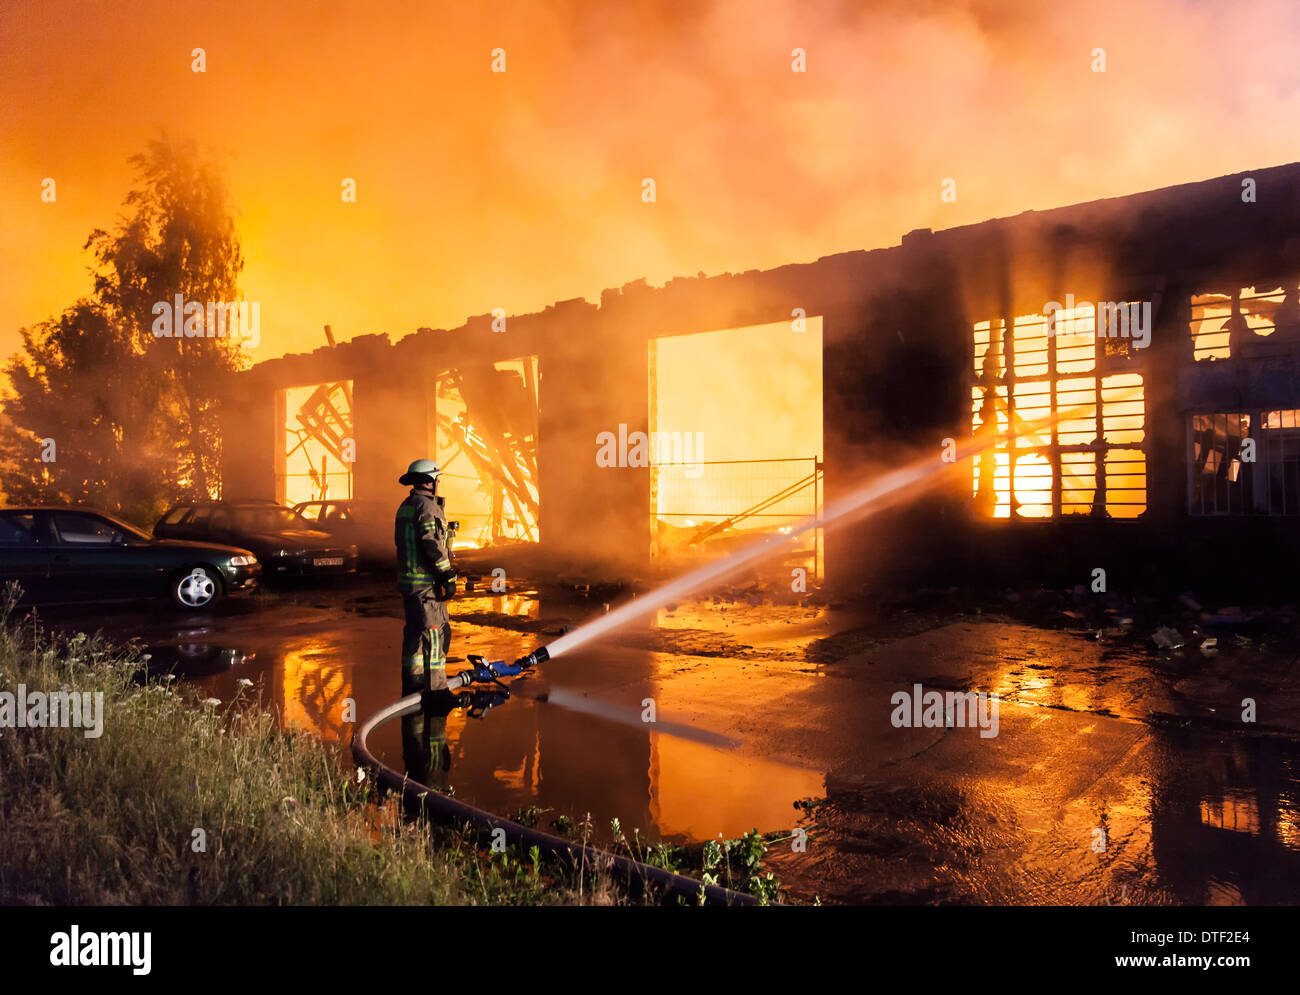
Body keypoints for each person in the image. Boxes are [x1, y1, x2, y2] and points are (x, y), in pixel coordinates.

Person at [394, 459, 457, 695]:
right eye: (436, 479)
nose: (438, 483)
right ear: (428, 481)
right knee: (435, 635)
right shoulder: (427, 507)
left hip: (409, 584)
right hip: (426, 586)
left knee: (414, 635)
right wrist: (447, 574)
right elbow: (431, 544)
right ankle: (437, 691)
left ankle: (413, 684)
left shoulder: (406, 505)